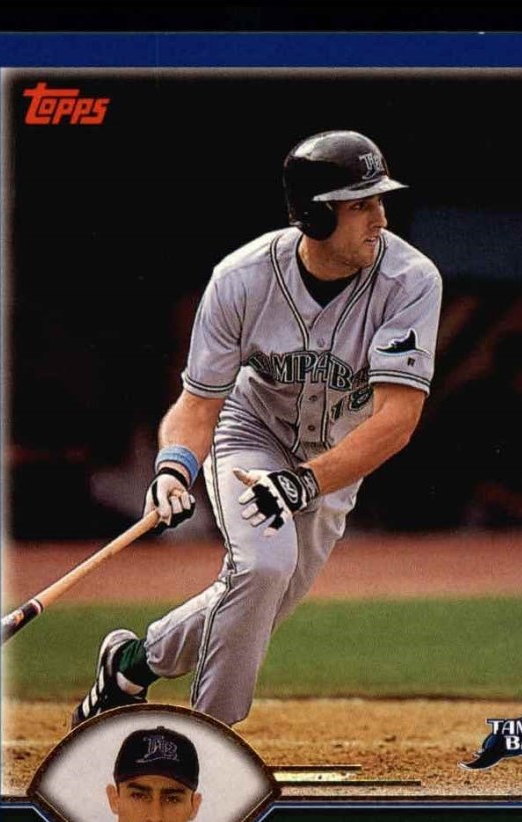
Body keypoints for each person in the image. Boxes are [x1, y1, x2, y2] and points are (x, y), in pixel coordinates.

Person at [71, 129, 443, 730]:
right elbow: (198, 406)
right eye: (361, 205)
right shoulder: (241, 278)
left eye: (379, 200)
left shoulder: (411, 280)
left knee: (262, 597)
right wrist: (174, 469)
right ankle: (210, 737)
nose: (381, 218)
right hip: (252, 435)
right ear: (316, 216)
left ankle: (131, 665)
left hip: (336, 457)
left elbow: (397, 420)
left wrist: (303, 483)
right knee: (263, 566)